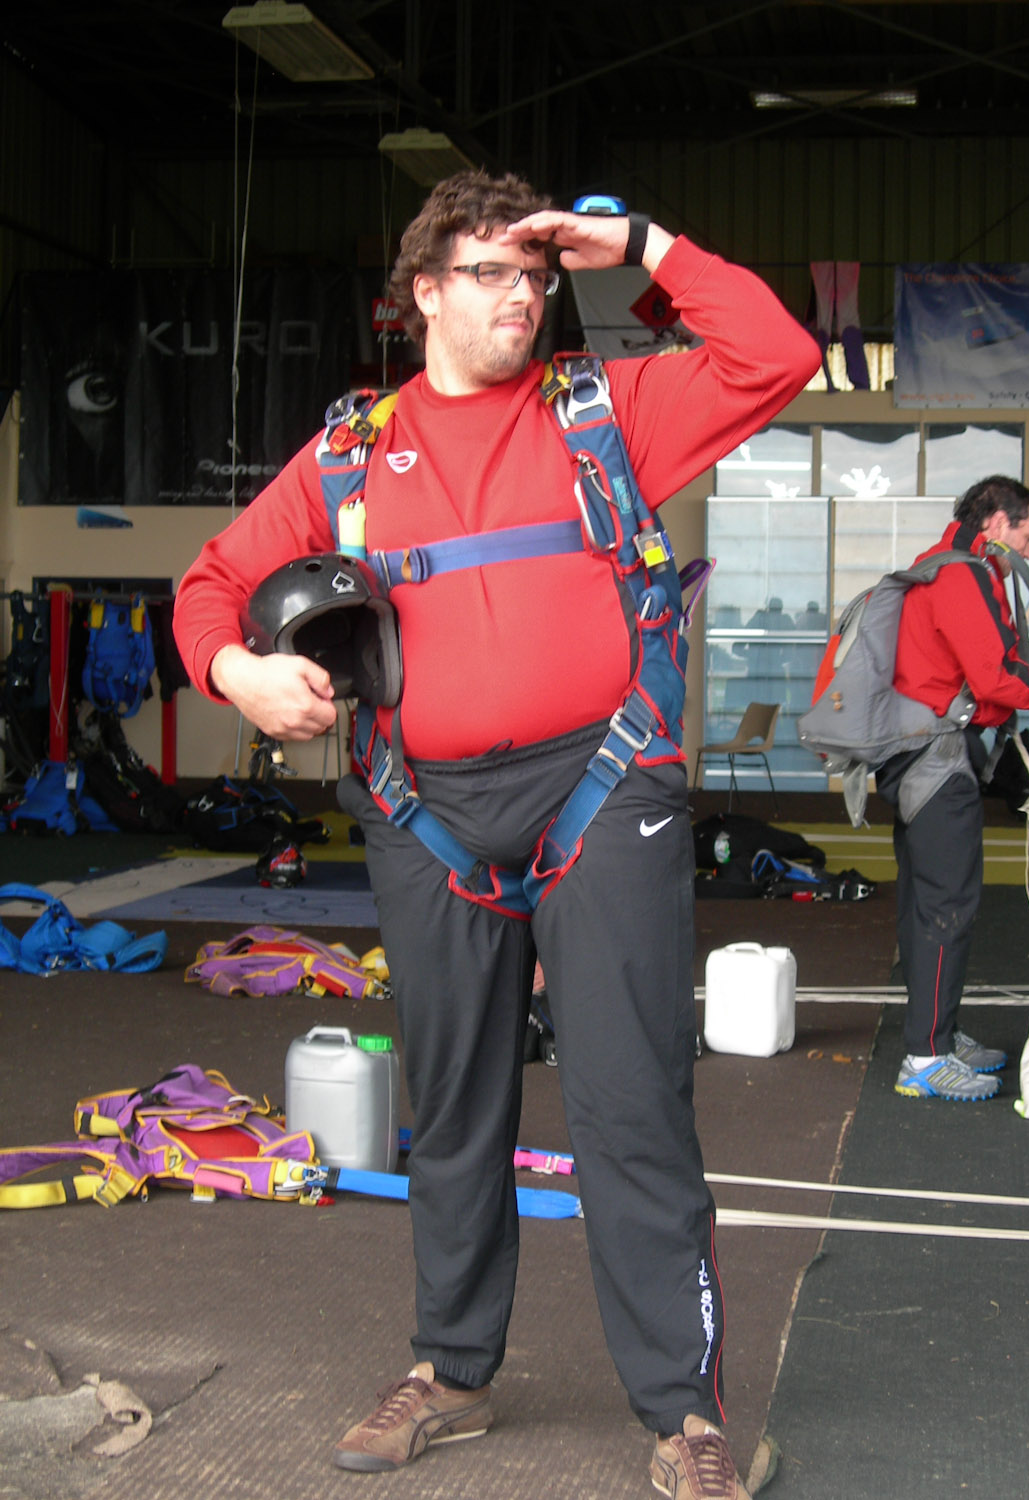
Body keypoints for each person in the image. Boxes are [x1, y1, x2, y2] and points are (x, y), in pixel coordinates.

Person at [173, 169, 819, 1498]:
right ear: (423, 293)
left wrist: (641, 243)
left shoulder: (606, 413)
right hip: (429, 814)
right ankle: (453, 1371)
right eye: (488, 274)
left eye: (533, 276)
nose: (520, 297)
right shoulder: (350, 456)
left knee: (630, 1104)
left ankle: (683, 1415)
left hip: (605, 789)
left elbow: (775, 353)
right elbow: (212, 583)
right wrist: (238, 675)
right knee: (455, 1107)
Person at [880, 475, 1029, 1102]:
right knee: (947, 905)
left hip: (925, 757)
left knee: (927, 902)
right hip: (935, 764)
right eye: (1028, 535)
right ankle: (925, 1058)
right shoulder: (959, 575)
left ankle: (937, 1034)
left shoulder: (955, 567)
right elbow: (994, 681)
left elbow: (992, 664)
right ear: (995, 523)